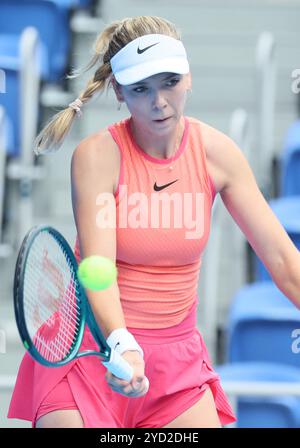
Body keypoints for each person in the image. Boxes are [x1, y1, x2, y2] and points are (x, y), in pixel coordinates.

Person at [8, 15, 300, 429]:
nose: (158, 101)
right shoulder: (97, 156)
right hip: (91, 350)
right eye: (141, 88)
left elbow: (285, 262)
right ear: (119, 92)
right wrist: (121, 342)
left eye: (169, 82)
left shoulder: (219, 155)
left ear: (188, 78)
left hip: (176, 368)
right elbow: (97, 267)